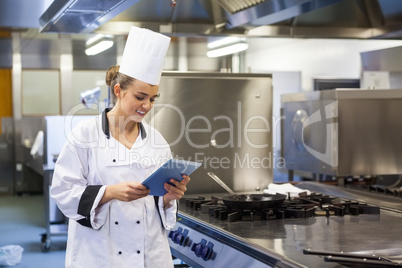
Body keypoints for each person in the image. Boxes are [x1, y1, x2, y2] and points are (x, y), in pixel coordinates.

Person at [50, 26, 190, 268]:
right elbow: (63, 192)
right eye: (140, 96)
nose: (147, 105)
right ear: (118, 91)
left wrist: (168, 197)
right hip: (100, 255)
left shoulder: (157, 141)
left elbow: (159, 204)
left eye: (153, 98)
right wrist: (110, 192)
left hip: (149, 254)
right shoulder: (84, 136)